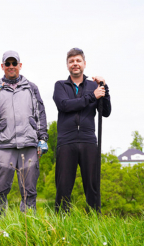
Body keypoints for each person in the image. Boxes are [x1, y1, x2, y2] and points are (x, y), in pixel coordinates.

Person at [0, 50, 49, 216]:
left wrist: (42, 138)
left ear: (20, 65)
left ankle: (27, 232)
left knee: (29, 193)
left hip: (29, 146)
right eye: (8, 63)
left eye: (14, 63)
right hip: (4, 147)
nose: (11, 66)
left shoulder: (31, 88)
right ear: (2, 66)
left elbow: (40, 113)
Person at [53, 48, 111, 213]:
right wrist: (92, 96)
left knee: (93, 186)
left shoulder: (94, 85)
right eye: (71, 61)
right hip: (66, 141)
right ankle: (61, 225)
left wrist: (105, 88)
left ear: (84, 64)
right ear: (67, 65)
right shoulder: (60, 86)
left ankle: (95, 222)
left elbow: (105, 112)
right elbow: (65, 105)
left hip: (88, 141)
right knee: (63, 187)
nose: (75, 64)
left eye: (78, 61)